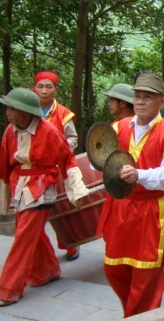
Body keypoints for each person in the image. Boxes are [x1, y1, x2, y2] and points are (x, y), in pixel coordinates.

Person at [97, 73, 164, 317]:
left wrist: (140, 175)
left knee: (146, 275)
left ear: (162, 101)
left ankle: (138, 315)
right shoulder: (117, 128)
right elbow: (104, 158)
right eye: (137, 96)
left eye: (147, 97)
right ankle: (135, 314)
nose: (140, 102)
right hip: (121, 207)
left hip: (152, 210)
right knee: (113, 268)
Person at [0, 88, 87, 306]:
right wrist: (5, 190)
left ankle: (8, 289)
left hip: (41, 188)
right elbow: (4, 162)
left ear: (26, 112)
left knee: (23, 238)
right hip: (19, 186)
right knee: (32, 234)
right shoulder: (10, 131)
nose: (8, 112)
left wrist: (76, 189)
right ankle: (46, 271)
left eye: (12, 108)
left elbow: (67, 158)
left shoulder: (47, 131)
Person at [33, 70, 80, 261]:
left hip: (59, 168)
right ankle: (40, 253)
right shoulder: (27, 111)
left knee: (62, 207)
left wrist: (58, 148)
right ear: (33, 88)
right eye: (40, 86)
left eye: (49, 86)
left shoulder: (63, 113)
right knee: (35, 211)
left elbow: (73, 139)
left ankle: (70, 245)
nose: (44, 91)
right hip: (35, 170)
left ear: (56, 89)